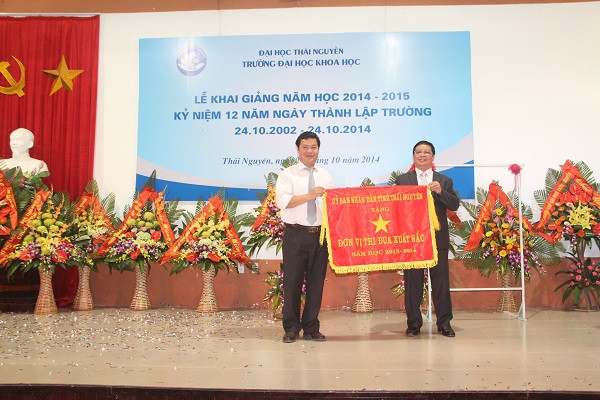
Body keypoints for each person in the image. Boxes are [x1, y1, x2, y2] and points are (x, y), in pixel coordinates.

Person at [395, 140, 460, 337]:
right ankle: (413, 324)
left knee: (440, 282)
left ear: (433, 157)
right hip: (412, 239)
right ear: (413, 156)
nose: (422, 155)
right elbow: (395, 207)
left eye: (426, 152)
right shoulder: (402, 180)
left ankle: (444, 323)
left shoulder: (444, 180)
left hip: (436, 239)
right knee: (413, 283)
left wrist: (440, 192)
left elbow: (454, 204)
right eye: (418, 152)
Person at [275, 131, 333, 343]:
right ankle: (291, 327)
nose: (310, 151)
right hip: (295, 234)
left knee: (316, 283)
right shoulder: (287, 174)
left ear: (319, 150)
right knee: (292, 282)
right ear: (298, 150)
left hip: (319, 235)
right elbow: (283, 201)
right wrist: (310, 195)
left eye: (314, 147)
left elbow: (332, 206)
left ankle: (311, 327)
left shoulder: (325, 175)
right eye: (305, 147)